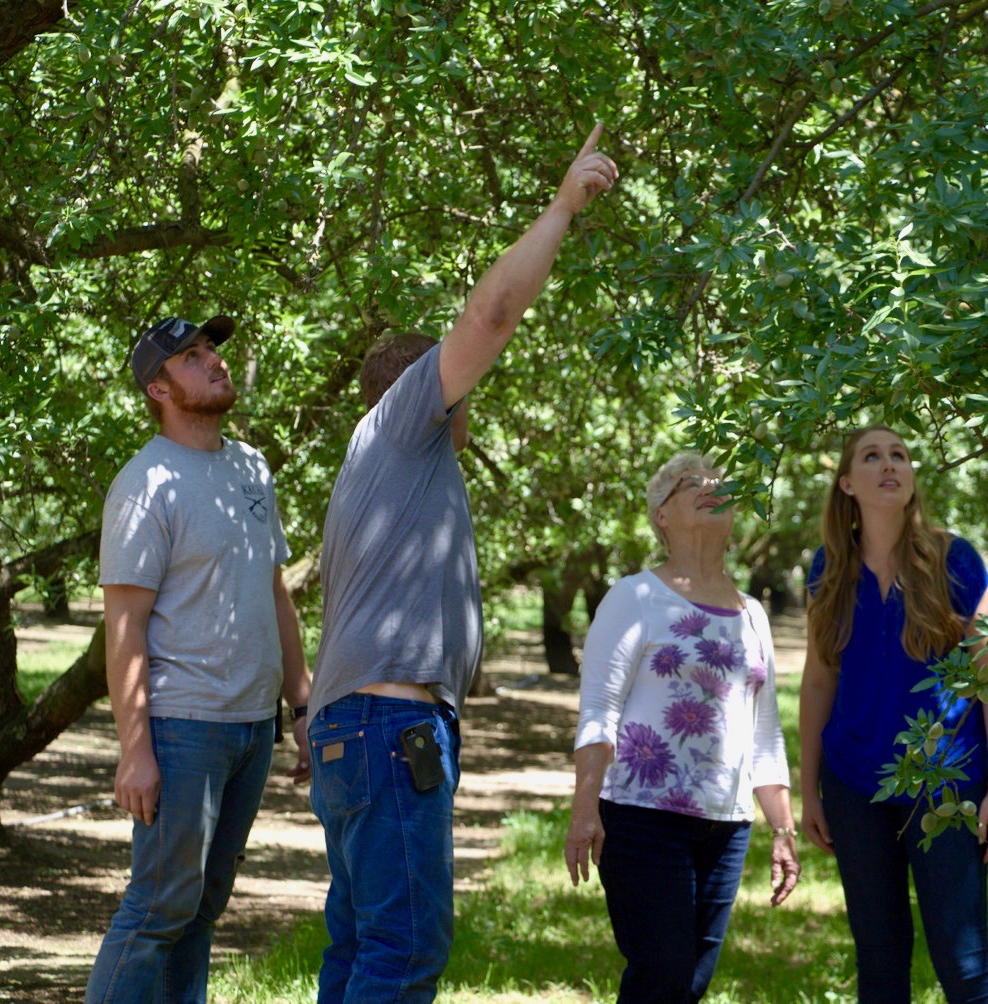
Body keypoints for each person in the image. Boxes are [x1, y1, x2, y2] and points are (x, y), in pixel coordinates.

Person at [289, 124, 618, 1003]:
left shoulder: (383, 471)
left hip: (360, 730)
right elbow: (491, 315)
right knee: (403, 954)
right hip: (389, 734)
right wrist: (561, 207)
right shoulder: (406, 422)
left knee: (361, 948)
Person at [87, 314, 311, 1004]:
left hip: (251, 728)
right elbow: (123, 626)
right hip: (184, 729)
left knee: (202, 911)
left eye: (212, 350)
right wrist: (136, 750)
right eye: (192, 356)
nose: (214, 362)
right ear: (158, 386)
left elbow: (274, 589)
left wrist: (301, 703)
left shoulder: (250, 466)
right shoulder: (145, 482)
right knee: (158, 909)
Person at [564, 451, 799, 1004]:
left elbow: (764, 732)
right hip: (642, 819)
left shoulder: (752, 615)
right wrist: (584, 808)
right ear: (660, 516)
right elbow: (599, 708)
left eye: (718, 480)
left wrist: (782, 830)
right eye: (689, 483)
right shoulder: (635, 597)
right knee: (662, 974)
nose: (710, 486)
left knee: (690, 985)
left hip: (728, 825)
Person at [798, 425, 988, 1004]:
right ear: (847, 484)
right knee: (879, 958)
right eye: (872, 456)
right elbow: (819, 681)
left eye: (899, 454)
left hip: (946, 786)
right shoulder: (827, 569)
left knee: (963, 964)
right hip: (851, 785)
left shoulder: (956, 560)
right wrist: (810, 792)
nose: (890, 464)